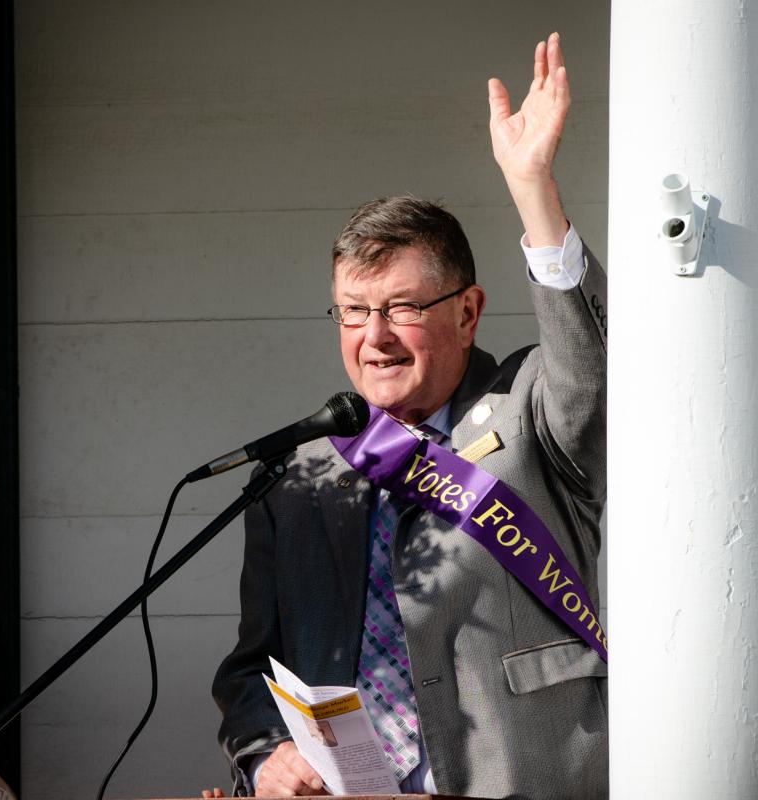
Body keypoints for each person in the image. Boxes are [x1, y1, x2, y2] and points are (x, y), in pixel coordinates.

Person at [210, 33, 608, 800]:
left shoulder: (527, 403)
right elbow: (251, 667)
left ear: (467, 312)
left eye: (400, 308)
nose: (374, 336)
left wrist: (534, 190)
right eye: (353, 311)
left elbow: (588, 368)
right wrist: (266, 759)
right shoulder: (303, 472)